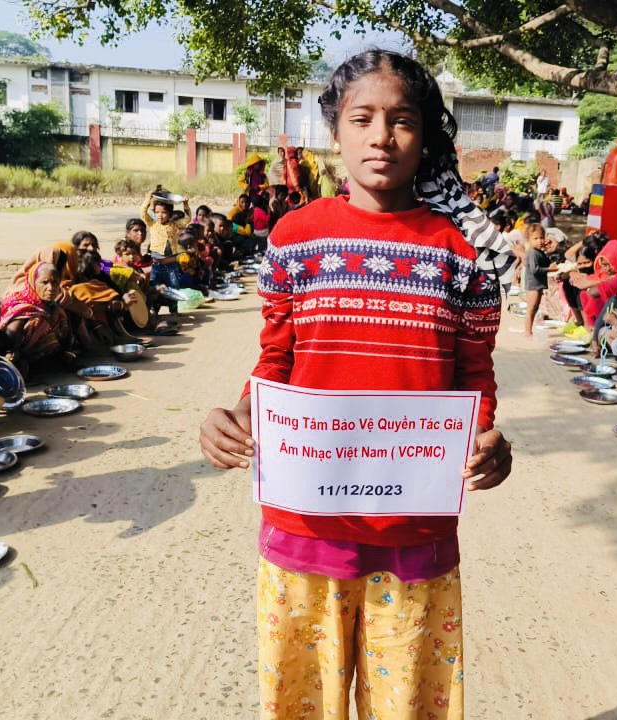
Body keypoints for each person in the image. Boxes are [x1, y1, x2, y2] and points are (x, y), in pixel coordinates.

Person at [199, 49, 515, 719]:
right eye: (362, 118)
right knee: (301, 705)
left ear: (425, 135)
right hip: (303, 527)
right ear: (334, 130)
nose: (382, 137)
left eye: (402, 120)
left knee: (407, 706)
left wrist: (485, 438)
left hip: (416, 531)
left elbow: (474, 375)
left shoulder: (461, 252)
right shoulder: (296, 238)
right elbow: (276, 361)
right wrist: (238, 414)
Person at [0, 262, 72, 372]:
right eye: (45, 282)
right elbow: (10, 335)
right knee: (38, 321)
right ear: (33, 282)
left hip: (42, 359)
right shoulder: (22, 306)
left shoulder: (55, 308)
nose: (51, 288)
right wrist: (14, 355)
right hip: (18, 357)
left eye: (55, 283)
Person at [522, 223, 556, 338]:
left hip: (538, 283)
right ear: (528, 240)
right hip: (533, 284)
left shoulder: (539, 251)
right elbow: (535, 269)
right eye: (535, 238)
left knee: (535, 308)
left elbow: (546, 262)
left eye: (541, 238)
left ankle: (529, 330)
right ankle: (528, 332)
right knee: (531, 309)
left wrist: (546, 249)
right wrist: (549, 269)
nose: (539, 241)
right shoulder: (532, 252)